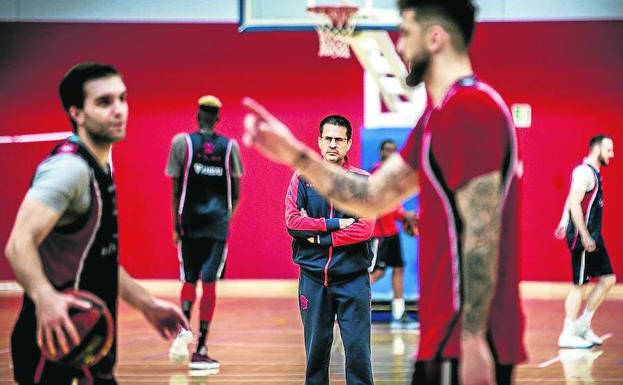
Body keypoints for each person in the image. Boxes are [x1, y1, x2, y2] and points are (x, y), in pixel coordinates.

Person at [241, 0, 527, 384]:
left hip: (467, 340)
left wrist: (474, 338)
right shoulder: (438, 116)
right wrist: (296, 154)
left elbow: (483, 233)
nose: (401, 46)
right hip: (445, 334)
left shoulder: (471, 109)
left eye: (406, 33)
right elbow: (374, 193)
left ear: (435, 38)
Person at [5, 62, 189, 385]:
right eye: (105, 102)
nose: (119, 110)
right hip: (53, 346)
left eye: (123, 98)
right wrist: (45, 298)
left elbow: (97, 261)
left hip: (88, 343)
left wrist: (147, 304)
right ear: (77, 112)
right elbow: (18, 244)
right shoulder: (69, 170)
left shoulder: (99, 165)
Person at [285, 115, 375, 384]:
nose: (333, 144)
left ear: (348, 144)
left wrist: (318, 238)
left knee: (359, 356)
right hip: (313, 281)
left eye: (339, 139)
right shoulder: (302, 178)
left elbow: (365, 228)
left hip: (353, 281)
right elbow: (292, 222)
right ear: (319, 142)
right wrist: (334, 224)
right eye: (328, 139)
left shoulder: (362, 182)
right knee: (315, 357)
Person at [165, 95, 243, 370]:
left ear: (198, 116)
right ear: (218, 118)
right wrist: (223, 220)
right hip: (216, 227)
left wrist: (176, 226)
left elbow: (176, 189)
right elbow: (237, 192)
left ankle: (182, 333)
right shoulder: (230, 147)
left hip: (189, 224)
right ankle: (201, 349)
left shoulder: (181, 143)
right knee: (209, 282)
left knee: (189, 279)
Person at [554, 135, 616, 349]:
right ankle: (567, 332)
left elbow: (572, 197)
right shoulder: (583, 172)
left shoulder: (593, 173)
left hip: (593, 235)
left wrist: (563, 220)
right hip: (583, 237)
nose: (612, 154)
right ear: (597, 149)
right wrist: (584, 234)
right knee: (579, 285)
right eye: (609, 150)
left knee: (608, 279)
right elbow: (575, 202)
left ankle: (583, 325)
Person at [369, 139, 419, 330]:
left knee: (398, 268)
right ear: (381, 152)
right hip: (378, 234)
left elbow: (395, 203)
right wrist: (402, 215)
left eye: (393, 151)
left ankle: (399, 314)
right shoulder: (376, 174)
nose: (390, 153)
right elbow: (380, 205)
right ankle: (349, 305)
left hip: (392, 232)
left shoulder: (396, 176)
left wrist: (405, 217)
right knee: (378, 272)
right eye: (386, 150)